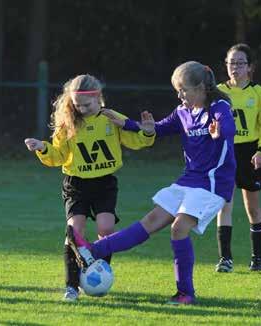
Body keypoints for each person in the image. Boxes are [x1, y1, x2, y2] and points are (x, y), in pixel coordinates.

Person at [66, 61, 236, 305]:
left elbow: (228, 125)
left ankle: (185, 293)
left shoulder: (219, 106)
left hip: (213, 183)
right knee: (151, 221)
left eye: (184, 90)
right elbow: (158, 128)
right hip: (189, 180)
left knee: (178, 228)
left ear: (200, 87)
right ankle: (91, 251)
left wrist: (221, 132)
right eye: (177, 91)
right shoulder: (182, 113)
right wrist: (128, 124)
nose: (180, 96)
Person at [24, 74, 155, 301]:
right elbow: (58, 156)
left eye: (87, 104)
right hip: (76, 184)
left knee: (106, 229)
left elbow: (137, 140)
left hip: (105, 183)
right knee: (75, 231)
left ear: (98, 98)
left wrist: (148, 132)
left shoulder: (111, 118)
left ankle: (98, 276)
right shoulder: (68, 124)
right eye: (77, 105)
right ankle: (72, 286)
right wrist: (42, 148)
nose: (82, 109)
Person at [215, 43, 261, 273]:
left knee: (252, 208)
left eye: (241, 63)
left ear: (250, 67)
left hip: (250, 152)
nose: (236, 67)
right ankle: (225, 259)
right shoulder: (218, 91)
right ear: (226, 65)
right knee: (224, 205)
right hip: (225, 150)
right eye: (232, 63)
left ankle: (258, 258)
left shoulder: (258, 92)